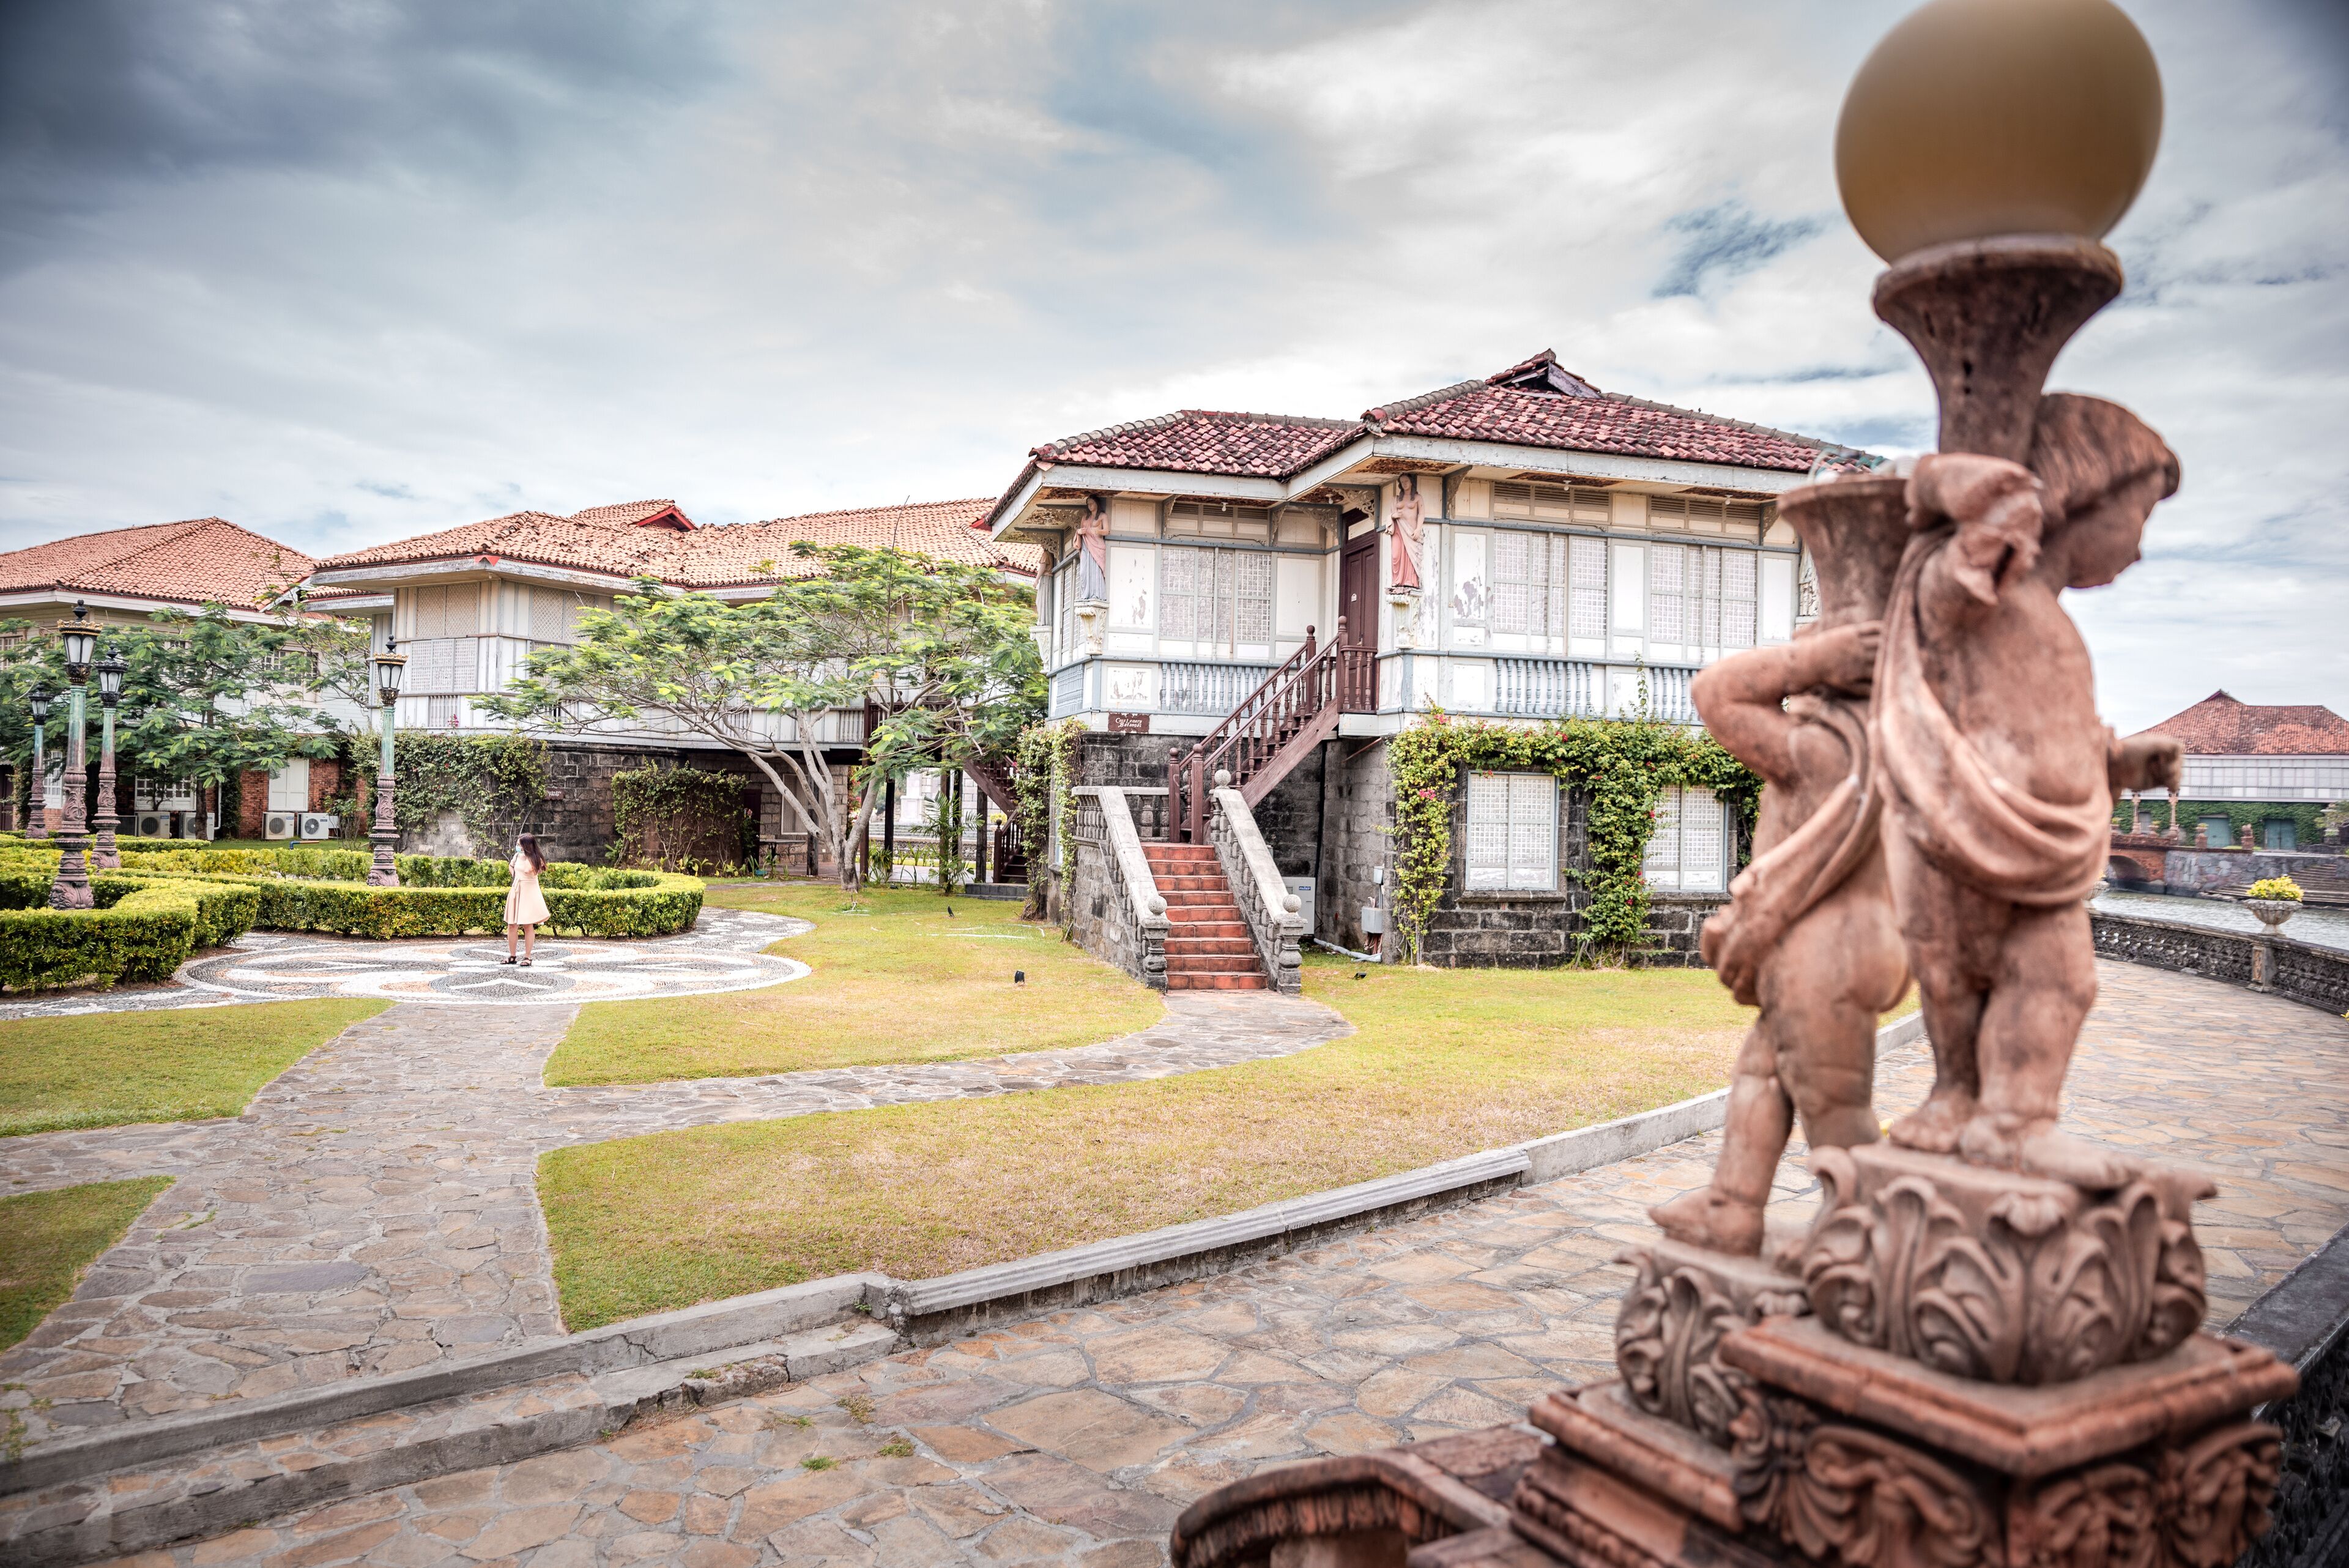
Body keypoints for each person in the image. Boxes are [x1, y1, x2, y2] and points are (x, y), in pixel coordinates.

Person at [503, 833, 551, 966]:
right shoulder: (517, 856)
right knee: (512, 925)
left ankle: (527, 957)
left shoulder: (535, 859)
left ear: (527, 846)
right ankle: (512, 956)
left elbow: (527, 870)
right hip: (517, 890)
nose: (517, 847)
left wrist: (529, 855)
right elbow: (511, 866)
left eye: (520, 845)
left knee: (527, 924)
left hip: (528, 893)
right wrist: (515, 876)